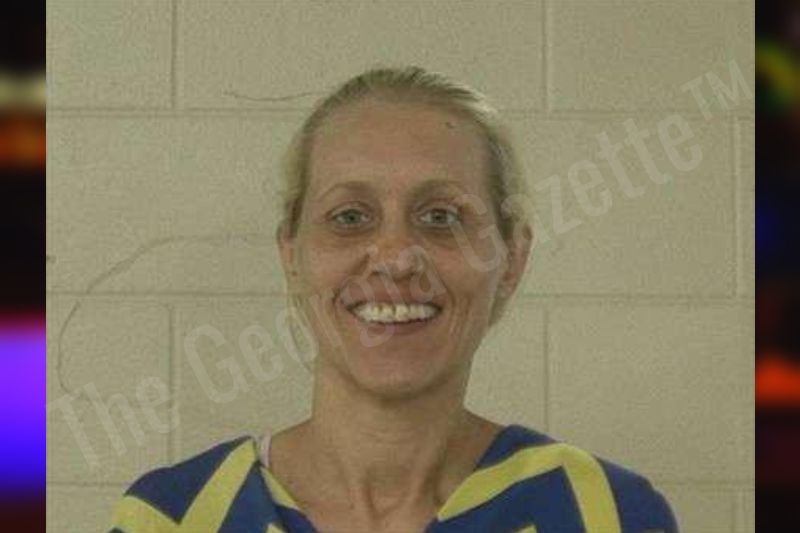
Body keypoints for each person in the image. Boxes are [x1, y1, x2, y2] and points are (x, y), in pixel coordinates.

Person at [109, 65, 679, 533]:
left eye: (441, 217)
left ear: (511, 257)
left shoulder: (604, 514)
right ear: (292, 253)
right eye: (349, 217)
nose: (396, 257)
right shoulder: (173, 518)